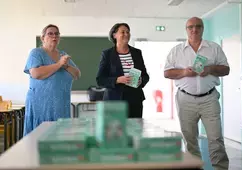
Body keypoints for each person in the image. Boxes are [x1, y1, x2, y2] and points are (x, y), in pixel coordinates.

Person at [164, 17, 229, 170]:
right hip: (185, 100)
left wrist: (210, 69)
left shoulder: (214, 48)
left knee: (216, 138)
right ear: (186, 29)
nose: (194, 29)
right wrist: (184, 72)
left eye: (198, 26)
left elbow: (226, 69)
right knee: (190, 139)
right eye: (190, 27)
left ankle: (220, 168)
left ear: (202, 29)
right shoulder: (176, 51)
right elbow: (167, 73)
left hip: (209, 99)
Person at [23, 24, 81, 136]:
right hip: (41, 105)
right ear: (42, 37)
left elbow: (77, 74)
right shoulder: (36, 53)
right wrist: (59, 64)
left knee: (60, 140)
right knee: (39, 137)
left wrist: (66, 66)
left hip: (61, 106)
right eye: (50, 33)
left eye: (56, 34)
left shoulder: (63, 54)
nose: (54, 36)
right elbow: (36, 74)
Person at [96, 23, 149, 118]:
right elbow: (100, 79)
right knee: (115, 131)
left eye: (128, 32)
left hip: (135, 100)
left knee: (134, 130)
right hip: (114, 101)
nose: (126, 34)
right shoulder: (107, 54)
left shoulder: (137, 53)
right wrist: (118, 80)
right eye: (123, 32)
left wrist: (141, 81)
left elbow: (145, 76)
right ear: (114, 35)